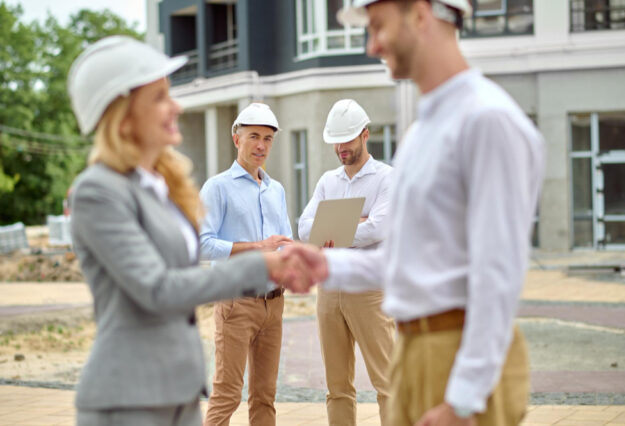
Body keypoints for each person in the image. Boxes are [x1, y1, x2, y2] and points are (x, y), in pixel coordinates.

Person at [285, 1, 546, 425]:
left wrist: (463, 401)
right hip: (414, 351)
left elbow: (498, 272)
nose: (371, 46)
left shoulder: (488, 121)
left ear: (421, 15)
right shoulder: (423, 133)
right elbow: (407, 260)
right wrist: (326, 265)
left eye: (377, 26)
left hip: (453, 354)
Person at [67, 36, 310, 426]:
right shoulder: (98, 192)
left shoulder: (160, 186)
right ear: (123, 113)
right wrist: (262, 265)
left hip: (176, 390)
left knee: (265, 396)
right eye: (160, 97)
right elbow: (157, 289)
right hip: (127, 398)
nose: (175, 105)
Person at [297, 99, 395, 426]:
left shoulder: (386, 179)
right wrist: (357, 222)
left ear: (365, 135)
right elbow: (304, 227)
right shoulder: (328, 181)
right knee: (337, 387)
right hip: (329, 292)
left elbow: (379, 228)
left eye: (348, 139)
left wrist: (333, 230)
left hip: (369, 292)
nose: (341, 147)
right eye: (336, 141)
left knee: (388, 383)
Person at [200, 103, 293, 426]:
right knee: (227, 394)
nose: (261, 146)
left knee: (265, 397)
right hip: (236, 304)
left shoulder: (276, 190)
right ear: (236, 138)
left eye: (268, 139)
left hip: (274, 304)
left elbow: (284, 244)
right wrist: (256, 247)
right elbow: (201, 244)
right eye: (254, 136)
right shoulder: (218, 187)